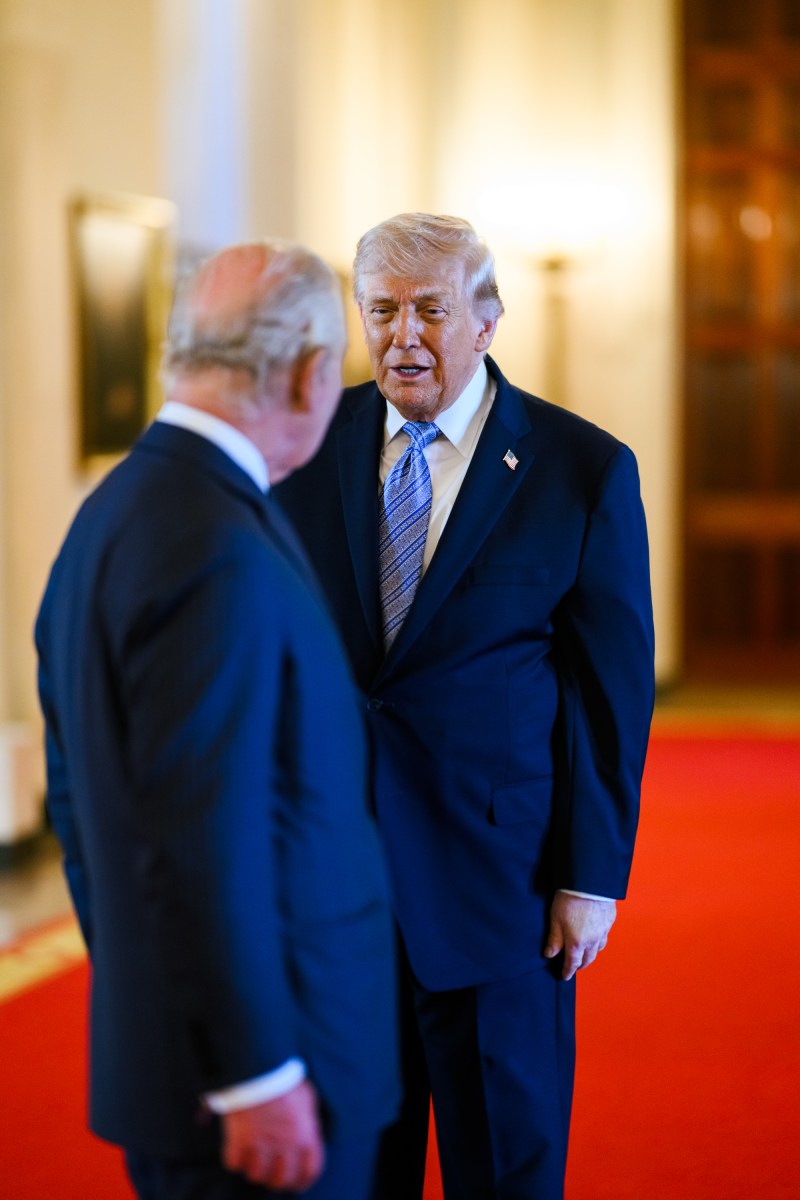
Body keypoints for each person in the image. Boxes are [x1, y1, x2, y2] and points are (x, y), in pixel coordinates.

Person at [273, 213, 655, 1199]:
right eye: (382, 310)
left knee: (504, 1167)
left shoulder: (582, 470)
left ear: (486, 320)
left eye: (430, 311)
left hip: (501, 890)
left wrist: (590, 876)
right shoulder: (304, 450)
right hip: (335, 896)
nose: (403, 334)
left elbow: (608, 696)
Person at [35, 240, 399, 1200]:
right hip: (269, 1085)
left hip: (192, 1052)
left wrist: (157, 987)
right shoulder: (213, 543)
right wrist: (256, 1070)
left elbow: (80, 807)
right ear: (314, 373)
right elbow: (200, 831)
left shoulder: (117, 511)